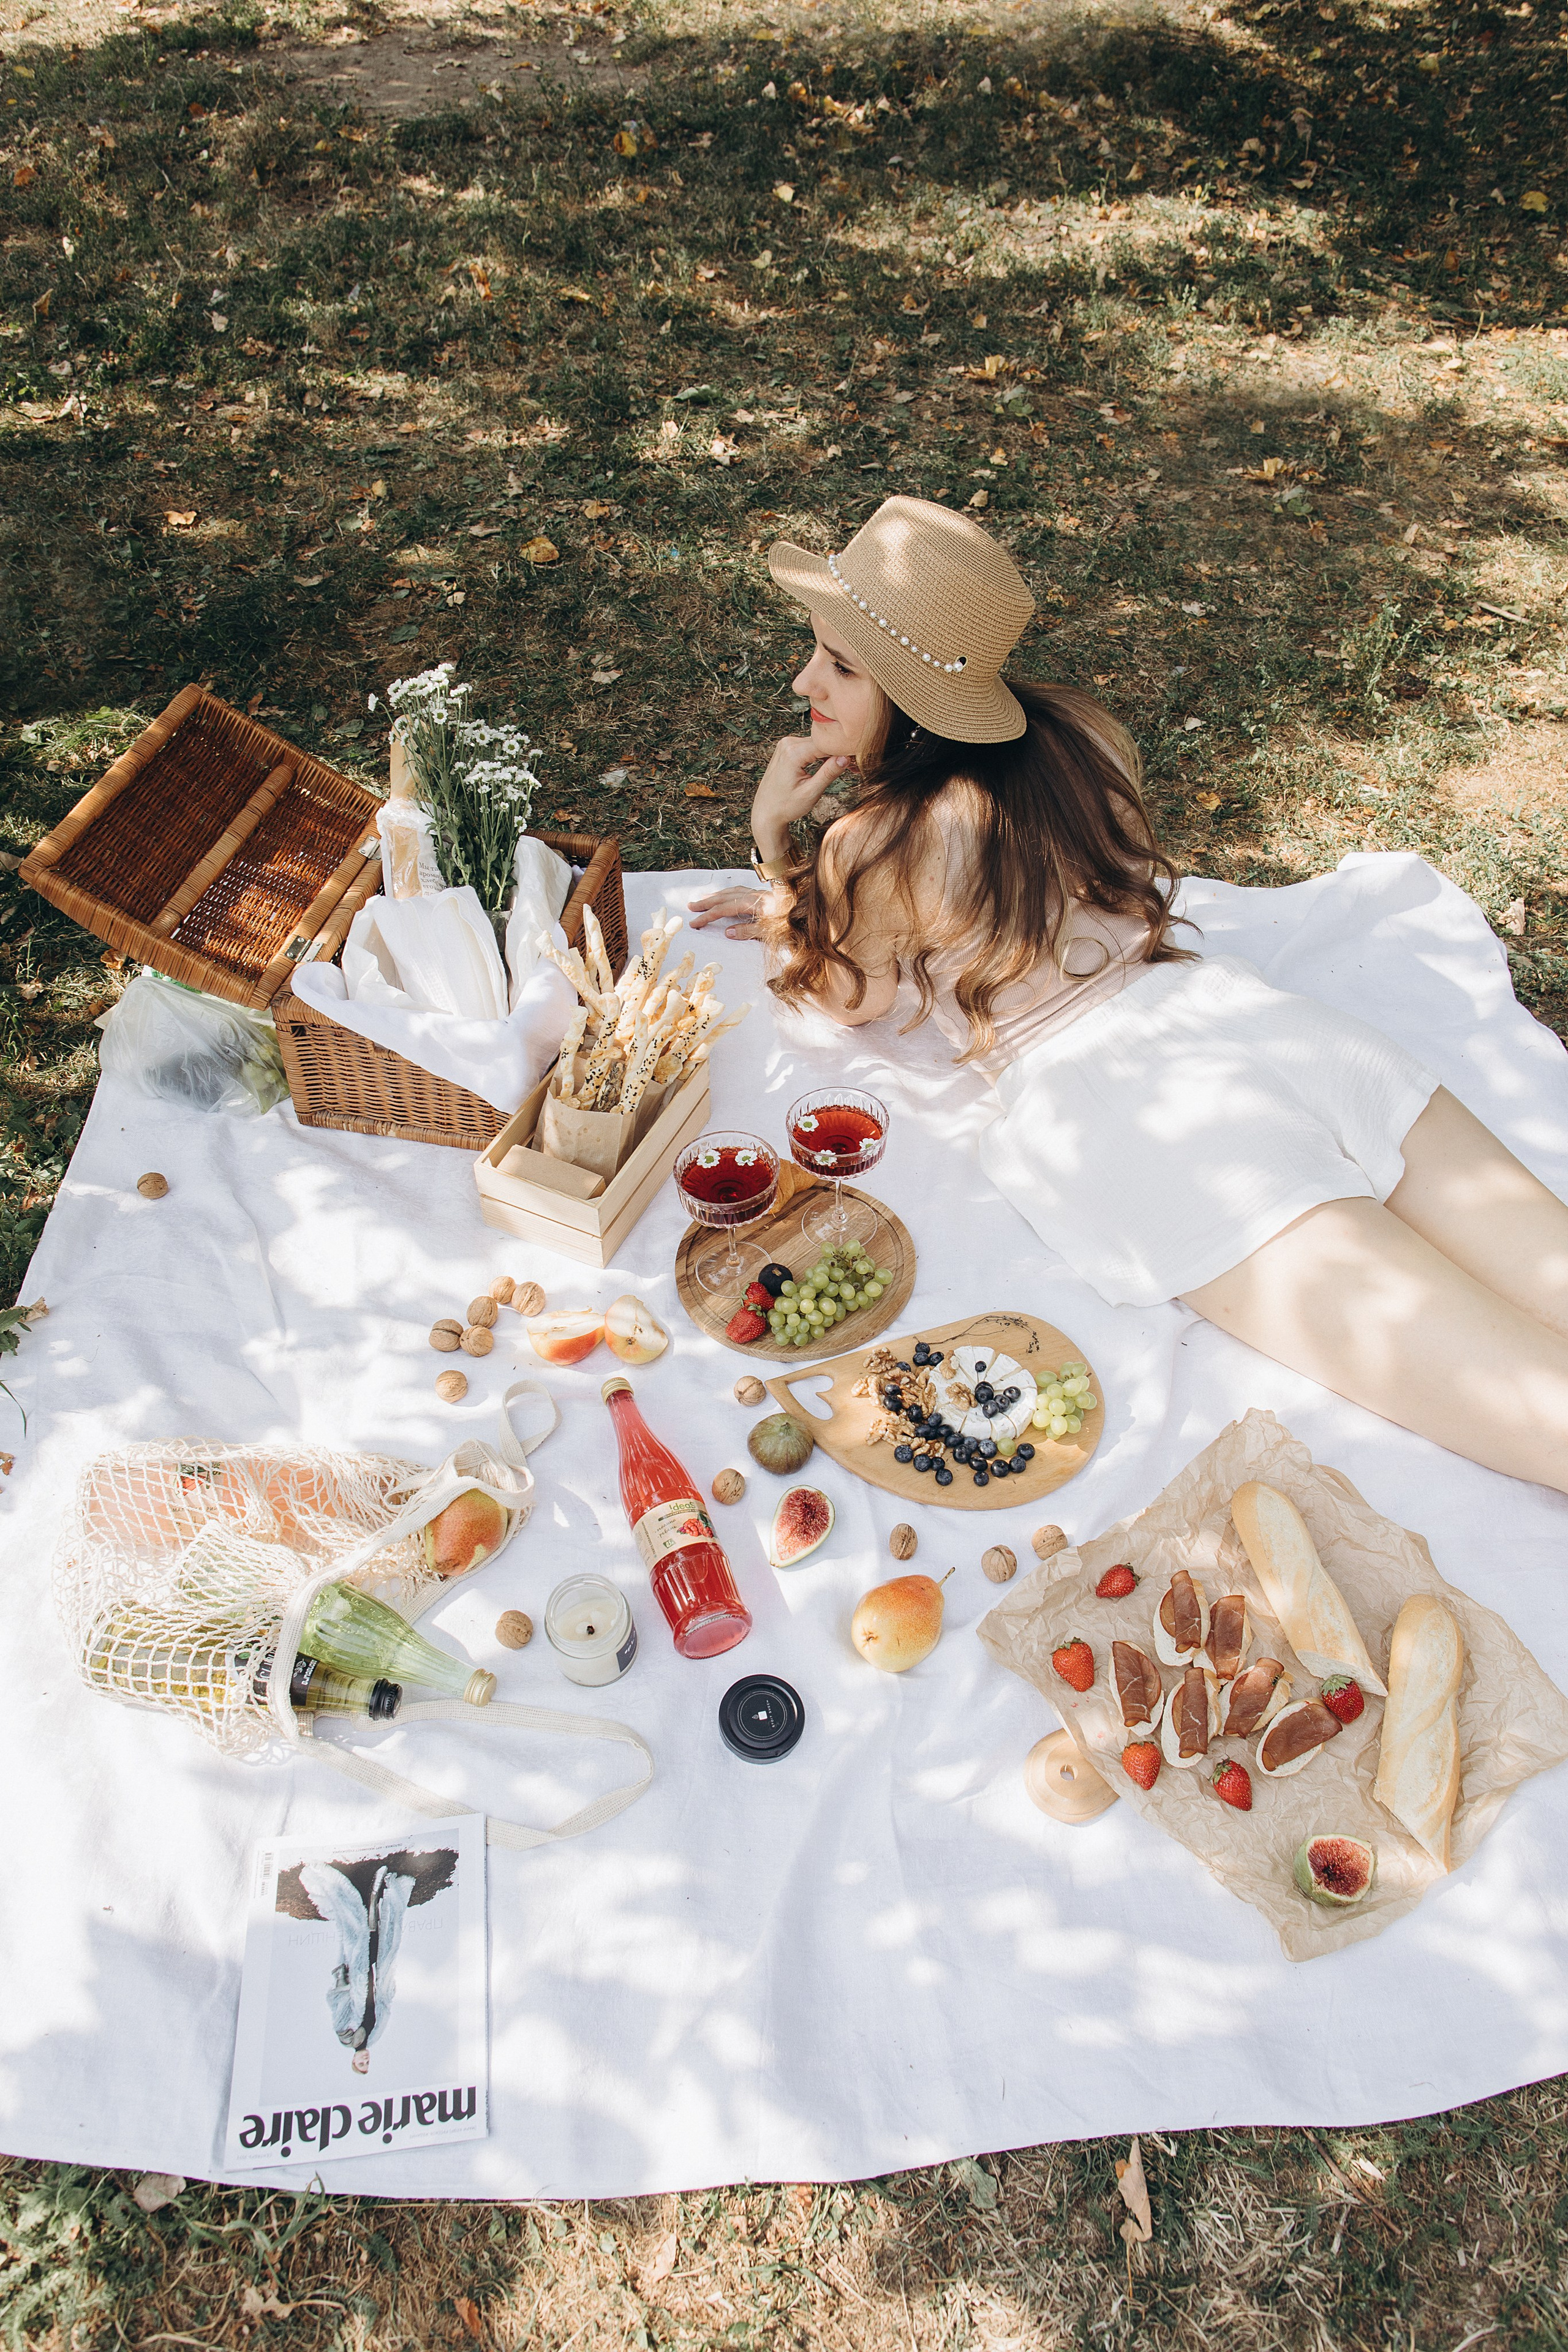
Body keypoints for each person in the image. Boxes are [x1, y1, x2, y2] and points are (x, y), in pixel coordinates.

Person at [691, 496, 1568, 1494]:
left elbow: (846, 994)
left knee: (1528, 1409)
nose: (806, 681)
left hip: (1134, 1120)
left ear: (912, 693)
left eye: (843, 665)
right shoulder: (1080, 732)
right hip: (1245, 1022)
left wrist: (780, 857)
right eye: (818, 650)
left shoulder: (876, 845)